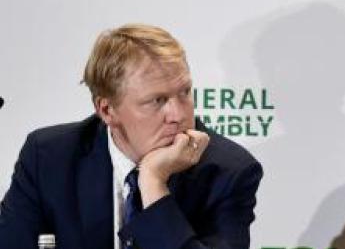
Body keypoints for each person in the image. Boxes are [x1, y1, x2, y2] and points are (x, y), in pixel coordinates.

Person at [0, 24, 263, 248]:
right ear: (107, 110)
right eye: (157, 100)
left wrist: (153, 182)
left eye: (184, 92)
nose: (177, 114)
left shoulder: (228, 171)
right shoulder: (49, 157)